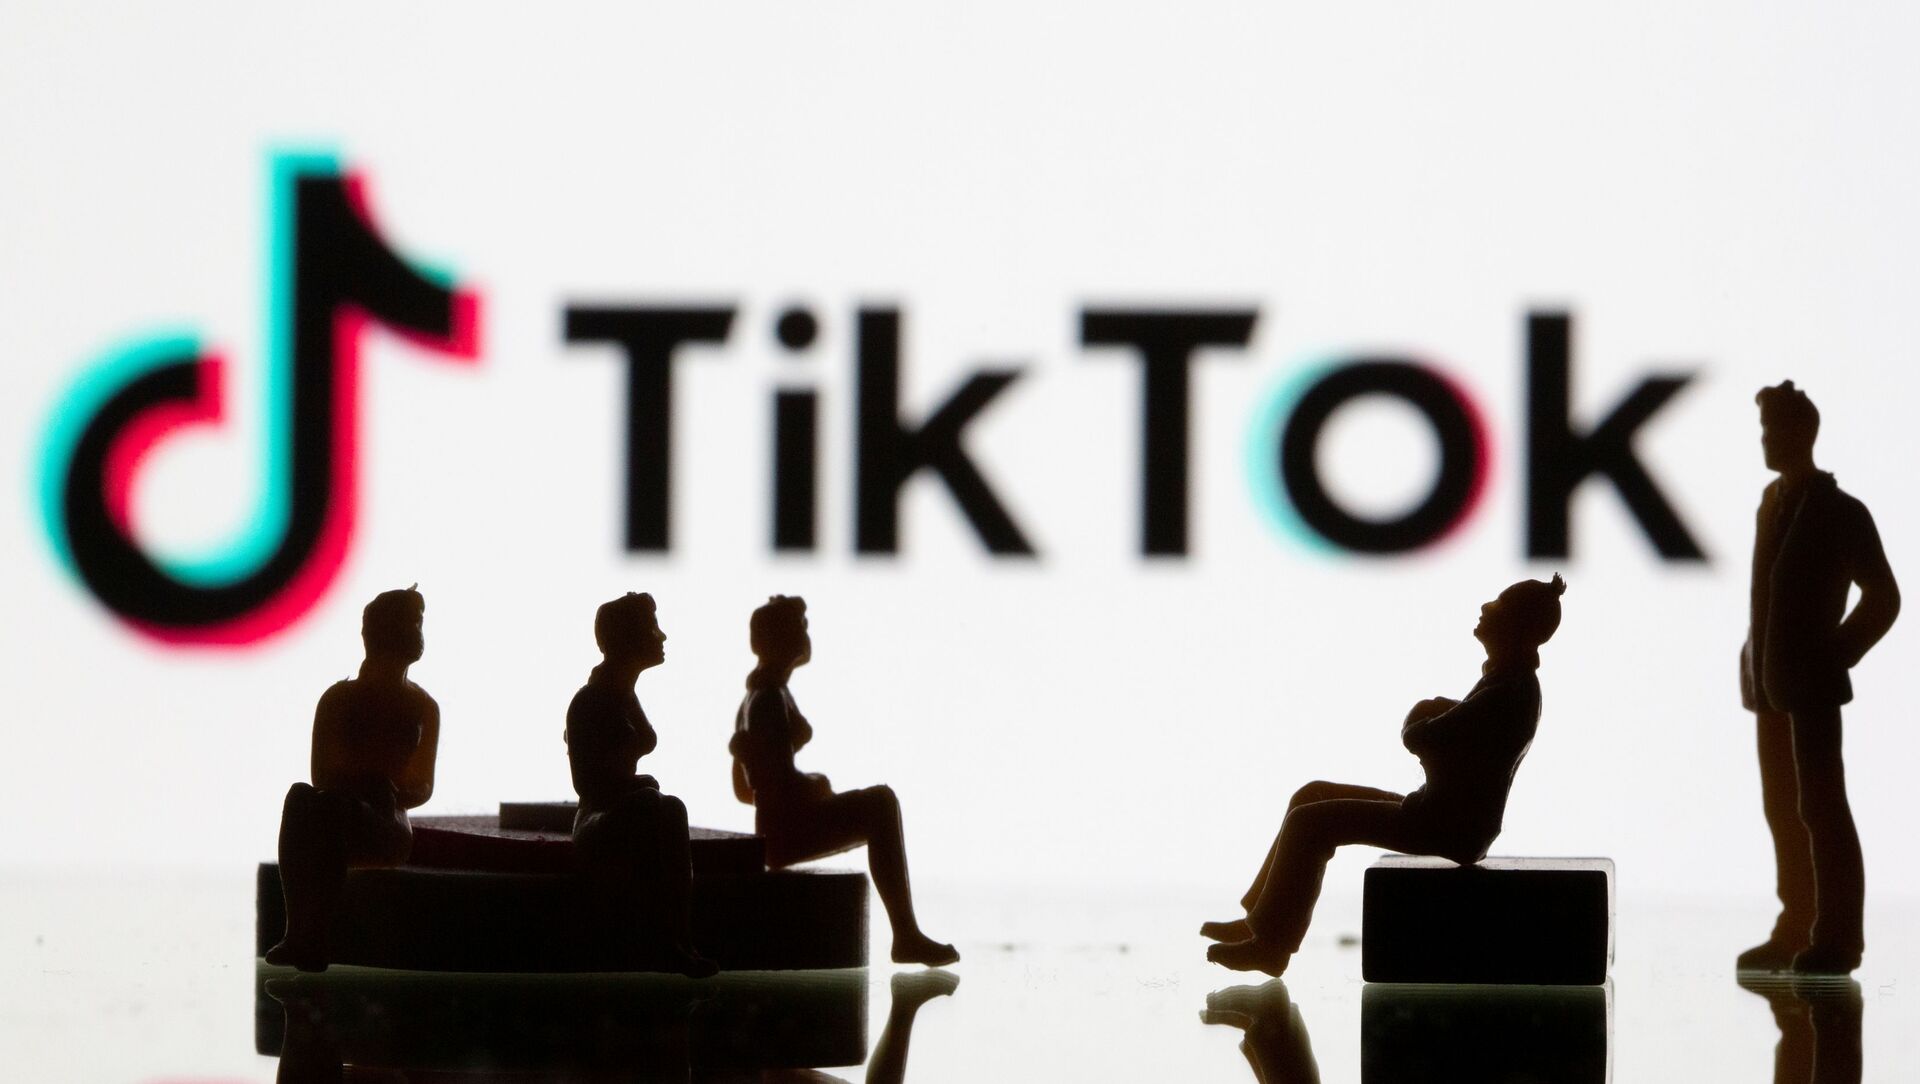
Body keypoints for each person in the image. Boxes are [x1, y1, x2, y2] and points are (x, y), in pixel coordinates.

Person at [1204, 576, 1566, 977]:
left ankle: (1272, 946)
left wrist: (1423, 713)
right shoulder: (1505, 680)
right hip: (1436, 809)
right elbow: (1456, 726)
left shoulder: (1508, 692)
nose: (1486, 607)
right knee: (1311, 795)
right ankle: (1261, 920)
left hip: (1448, 827)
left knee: (1311, 823)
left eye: (1498, 604)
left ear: (1517, 626)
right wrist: (1437, 711)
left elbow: (1424, 737)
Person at [1737, 382, 1898, 975]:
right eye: (1763, 430)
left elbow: (1884, 597)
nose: (1766, 441)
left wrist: (1838, 654)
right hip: (1767, 684)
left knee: (1821, 808)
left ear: (1802, 434)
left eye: (1774, 430)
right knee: (1782, 807)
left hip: (1811, 686)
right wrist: (1754, 659)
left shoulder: (1841, 511)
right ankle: (1796, 924)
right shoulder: (1771, 501)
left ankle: (1838, 935)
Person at [730, 595, 959, 966]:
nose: (806, 634)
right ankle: (905, 935)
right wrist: (817, 784)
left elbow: (745, 790)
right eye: (799, 627)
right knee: (880, 804)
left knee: (877, 803)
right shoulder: (768, 700)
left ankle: (907, 934)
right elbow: (775, 785)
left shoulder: (758, 697)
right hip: (783, 835)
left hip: (777, 827)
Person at [266, 587, 439, 972]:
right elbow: (322, 775)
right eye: (409, 624)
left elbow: (423, 786)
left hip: (386, 824)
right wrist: (360, 785)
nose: (416, 633)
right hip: (338, 810)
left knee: (329, 812)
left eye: (417, 624)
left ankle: (309, 937)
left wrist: (388, 791)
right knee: (302, 798)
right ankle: (299, 933)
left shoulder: (424, 707)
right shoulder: (338, 699)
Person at [566, 592, 716, 978]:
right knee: (654, 804)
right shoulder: (588, 702)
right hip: (595, 820)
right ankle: (664, 942)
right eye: (652, 628)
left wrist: (636, 784)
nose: (661, 636)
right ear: (626, 638)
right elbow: (587, 785)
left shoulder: (625, 696)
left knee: (670, 805)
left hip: (624, 807)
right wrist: (634, 787)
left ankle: (679, 938)